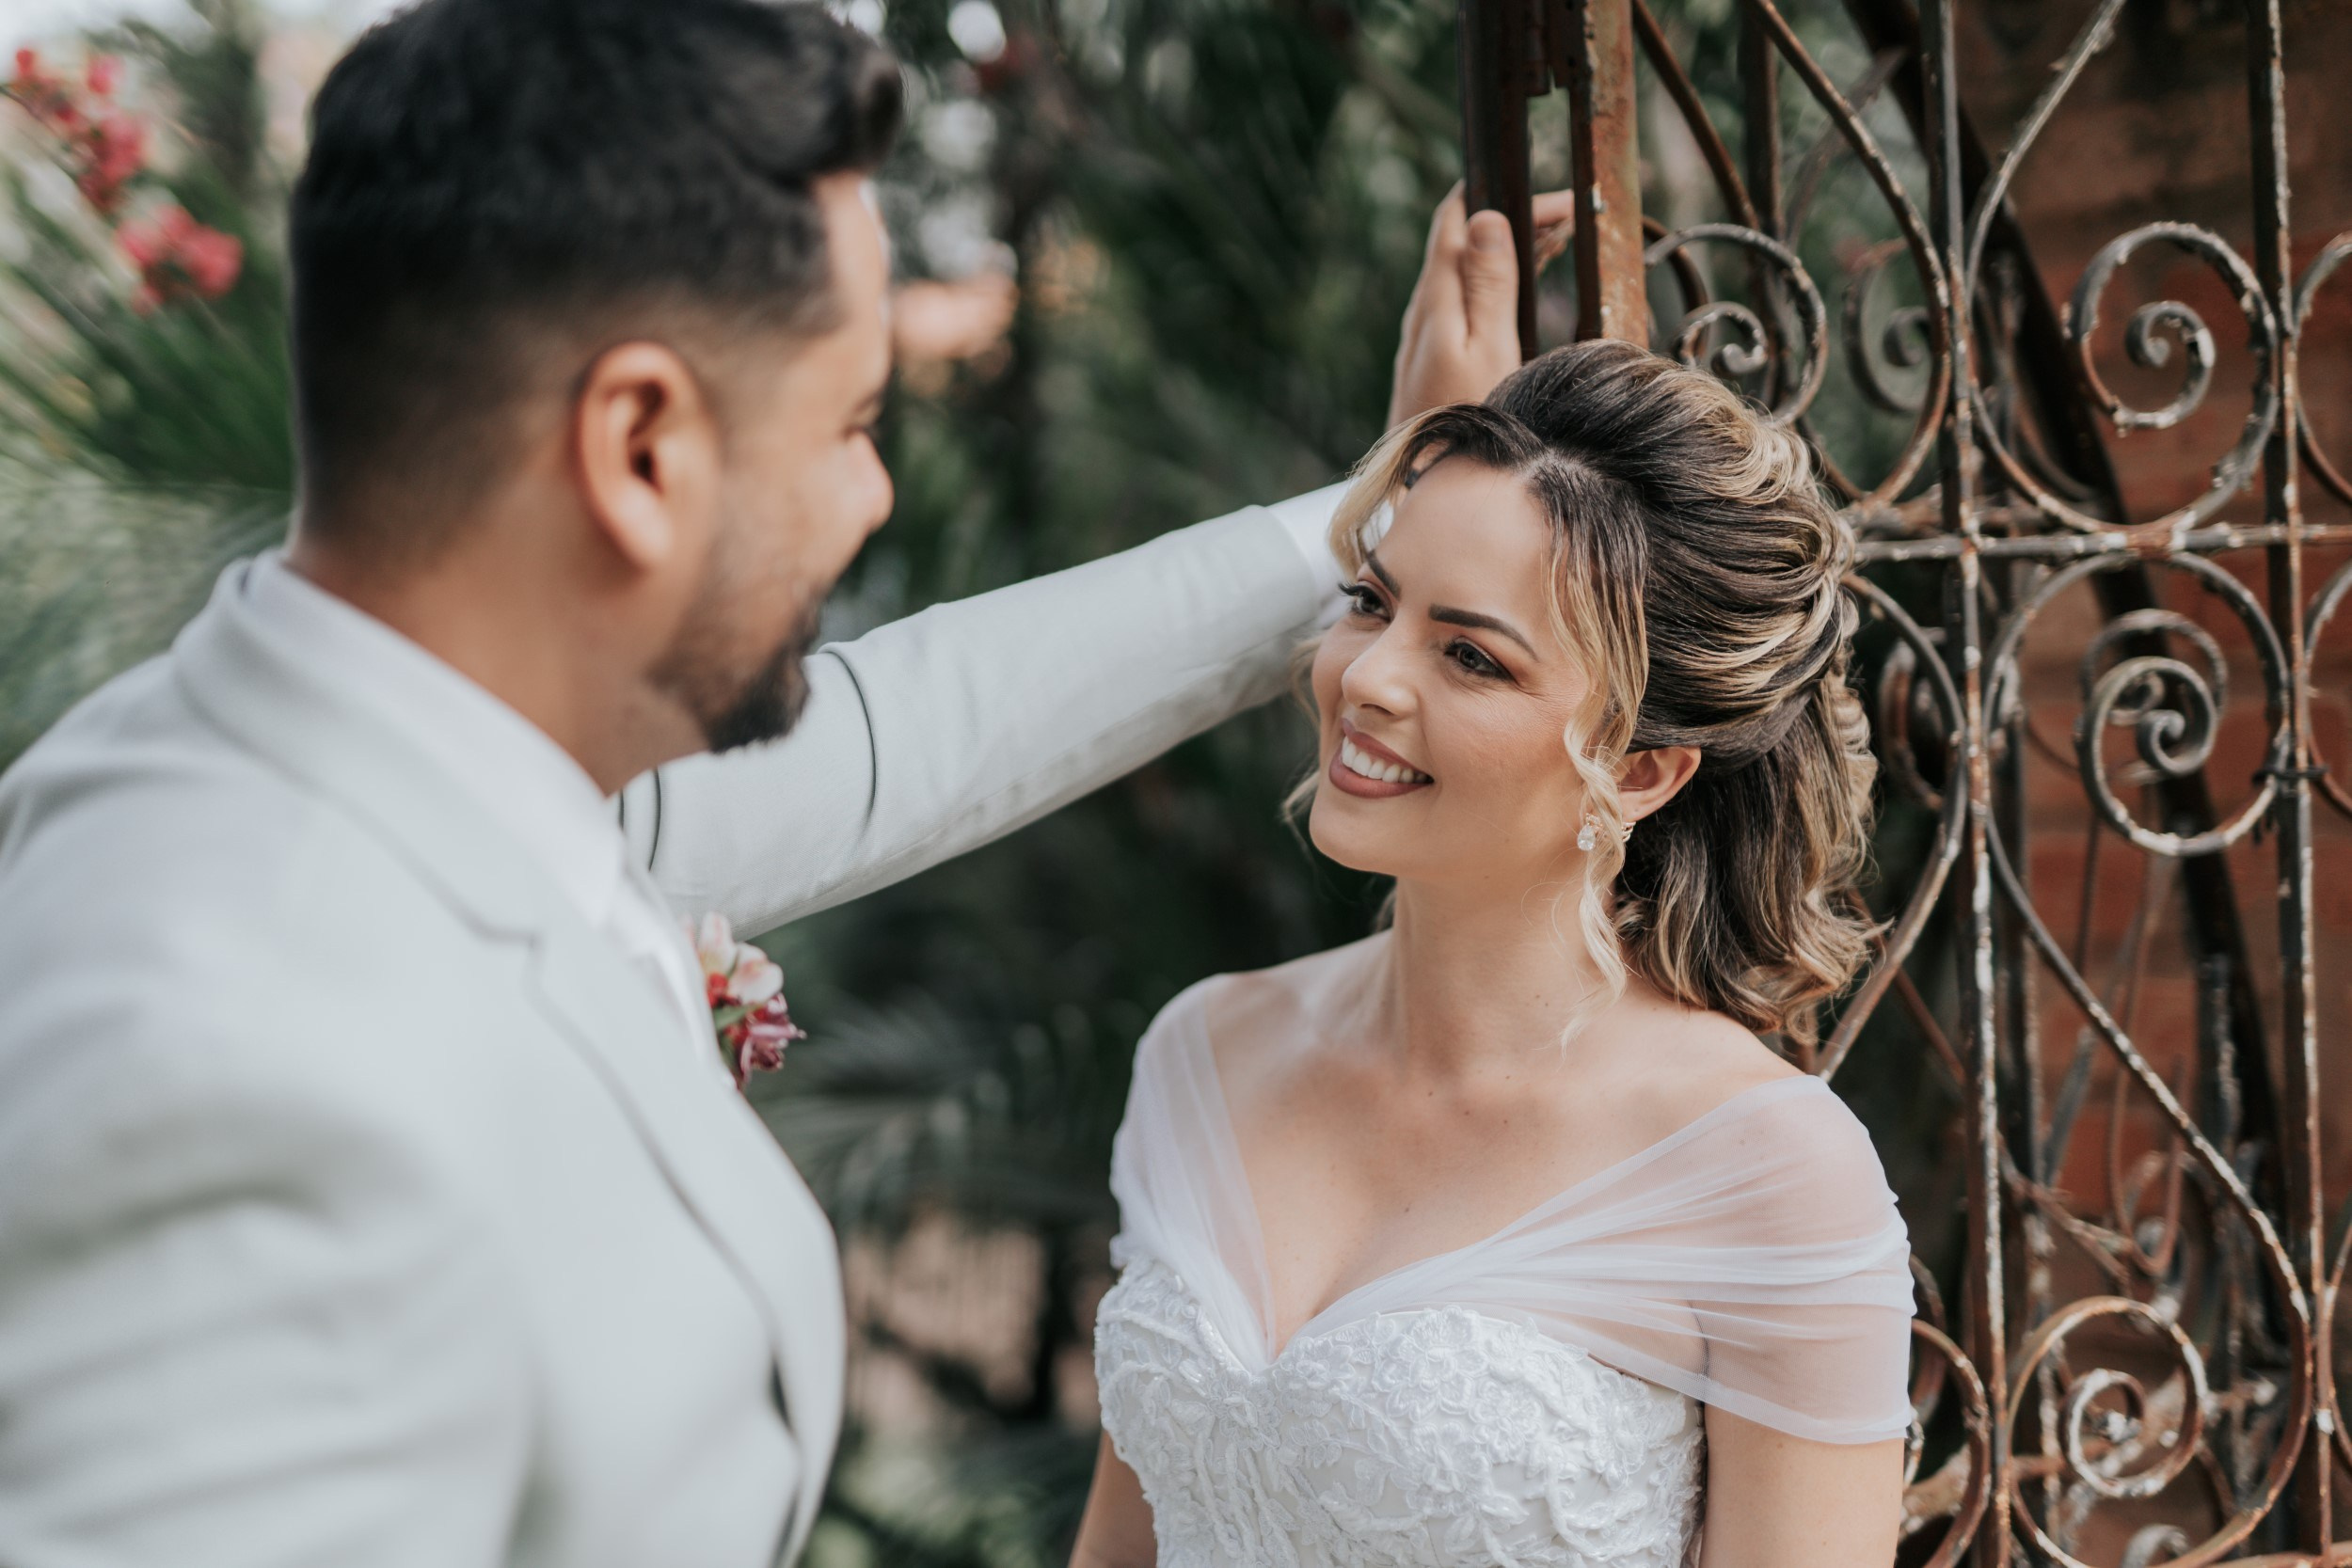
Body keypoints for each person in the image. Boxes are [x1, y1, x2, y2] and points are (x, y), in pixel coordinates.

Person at [0, 2, 1565, 1565]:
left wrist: (1375, 514)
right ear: (640, 448)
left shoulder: (408, 758)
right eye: (852, 422)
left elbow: (917, 729)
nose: (874, 495)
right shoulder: (228, 1067)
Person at [1071, 341, 1916, 1568]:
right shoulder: (1205, 1050)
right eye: (1373, 602)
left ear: (1640, 770)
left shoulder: (1770, 1173)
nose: (1366, 678)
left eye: (1471, 656)